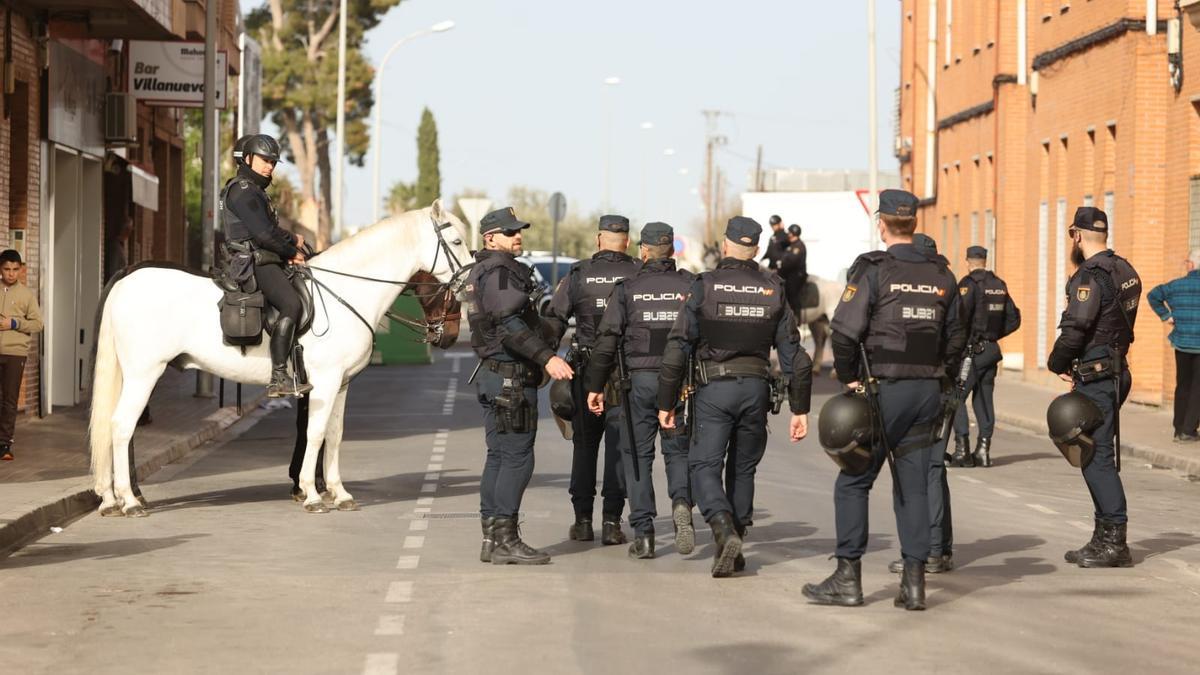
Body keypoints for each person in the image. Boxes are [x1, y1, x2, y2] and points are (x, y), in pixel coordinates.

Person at [803, 189, 964, 610]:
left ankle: (847, 579)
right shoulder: (943, 275)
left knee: (854, 480)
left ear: (881, 223)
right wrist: (940, 379)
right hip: (927, 391)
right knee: (913, 487)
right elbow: (956, 340)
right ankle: (914, 585)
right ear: (913, 223)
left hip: (882, 392)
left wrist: (852, 380)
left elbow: (843, 332)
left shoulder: (874, 271)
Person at [656, 216, 813, 577]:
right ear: (756, 250)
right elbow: (794, 355)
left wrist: (667, 402)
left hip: (714, 389)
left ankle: (723, 527)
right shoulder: (772, 287)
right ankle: (735, 545)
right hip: (756, 389)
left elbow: (678, 345)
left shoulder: (706, 285)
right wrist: (800, 408)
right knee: (743, 467)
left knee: (703, 466)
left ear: (725, 246)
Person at [465, 207, 573, 565]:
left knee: (499, 457)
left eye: (519, 231)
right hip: (509, 378)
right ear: (489, 238)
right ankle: (506, 540)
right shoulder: (498, 271)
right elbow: (509, 323)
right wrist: (547, 358)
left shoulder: (487, 270)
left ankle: (492, 538)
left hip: (495, 374)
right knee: (516, 459)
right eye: (510, 232)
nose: (518, 237)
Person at [583, 222, 696, 559]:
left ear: (643, 251)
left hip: (639, 382)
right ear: (672, 251)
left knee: (636, 457)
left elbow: (606, 343)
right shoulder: (690, 285)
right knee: (677, 453)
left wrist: (594, 386)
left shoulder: (627, 289)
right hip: (680, 384)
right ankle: (680, 503)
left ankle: (644, 534)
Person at [1049, 206, 1140, 568]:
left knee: (1096, 458)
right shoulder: (1125, 270)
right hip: (1116, 370)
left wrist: (1056, 363)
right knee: (1096, 454)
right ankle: (1102, 538)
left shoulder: (1089, 276)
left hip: (1098, 376)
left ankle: (1114, 541)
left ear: (1077, 235)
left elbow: (1076, 329)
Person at [545, 215, 641, 545]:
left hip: (585, 370)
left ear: (599, 240)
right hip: (626, 373)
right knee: (619, 447)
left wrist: (545, 358)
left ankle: (583, 521)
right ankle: (613, 523)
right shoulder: (639, 274)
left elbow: (554, 319)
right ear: (627, 242)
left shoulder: (579, 273)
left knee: (584, 446)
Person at [220, 133, 311, 398]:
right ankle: (279, 377)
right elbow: (264, 236)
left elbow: (269, 230)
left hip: (261, 256)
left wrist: (293, 241)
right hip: (252, 261)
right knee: (291, 304)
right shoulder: (243, 190)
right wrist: (292, 251)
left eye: (272, 162)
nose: (269, 166)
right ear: (247, 159)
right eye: (264, 160)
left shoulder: (254, 191)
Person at [949, 246, 1021, 467]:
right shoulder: (999, 285)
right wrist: (993, 336)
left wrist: (960, 346)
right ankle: (984, 450)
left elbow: (959, 320)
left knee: (956, 396)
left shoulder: (968, 285)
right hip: (990, 351)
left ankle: (962, 451)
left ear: (968, 261)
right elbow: (1014, 319)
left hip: (971, 352)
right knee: (983, 398)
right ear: (985, 260)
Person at [1147, 249, 1200, 442]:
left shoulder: (1177, 286)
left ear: (1191, 265)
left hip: (1182, 343)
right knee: (1197, 388)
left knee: (1183, 386)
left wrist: (1166, 316)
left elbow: (1153, 295)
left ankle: (1178, 429)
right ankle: (1189, 430)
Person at [0, 249, 43, 461]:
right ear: (1, 269)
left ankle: (5, 444)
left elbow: (38, 324)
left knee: (9, 400)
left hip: (15, 354)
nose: (11, 274)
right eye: (7, 269)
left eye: (15, 269)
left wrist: (13, 323)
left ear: (20, 270)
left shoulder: (26, 295)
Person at [778, 224, 808, 315]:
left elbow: (791, 263)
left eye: (789, 233)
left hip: (796, 275)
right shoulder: (791, 245)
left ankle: (796, 316)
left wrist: (780, 265)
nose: (788, 234)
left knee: (791, 293)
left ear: (792, 234)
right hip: (789, 274)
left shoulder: (798, 246)